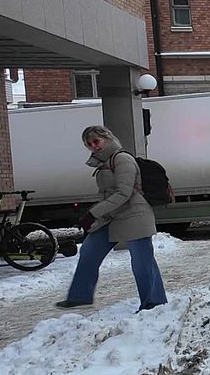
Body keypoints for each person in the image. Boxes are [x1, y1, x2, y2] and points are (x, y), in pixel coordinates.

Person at [56, 126, 167, 312]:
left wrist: (93, 213)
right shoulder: (104, 162)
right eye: (89, 144)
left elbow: (123, 194)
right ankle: (79, 296)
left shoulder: (122, 159)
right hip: (112, 217)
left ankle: (153, 302)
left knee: (142, 261)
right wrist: (93, 219)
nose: (93, 147)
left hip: (134, 215)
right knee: (89, 252)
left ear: (107, 138)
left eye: (96, 141)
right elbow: (107, 195)